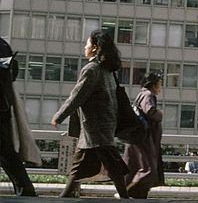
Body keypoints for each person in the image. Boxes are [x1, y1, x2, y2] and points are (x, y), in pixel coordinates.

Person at [51, 29, 131, 199]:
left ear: (94, 47)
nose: (84, 47)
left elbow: (77, 96)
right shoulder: (107, 70)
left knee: (83, 165)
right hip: (105, 123)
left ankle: (63, 197)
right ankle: (123, 196)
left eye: (87, 44)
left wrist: (59, 116)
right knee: (103, 162)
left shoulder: (91, 70)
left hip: (94, 126)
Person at [0, 36, 38, 196]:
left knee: (5, 150)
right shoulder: (3, 45)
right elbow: (13, 72)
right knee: (5, 149)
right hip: (3, 104)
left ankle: (25, 187)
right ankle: (24, 187)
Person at [123, 71, 164, 198]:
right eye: (159, 84)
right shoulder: (148, 94)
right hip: (144, 140)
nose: (160, 87)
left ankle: (129, 192)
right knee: (148, 169)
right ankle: (125, 192)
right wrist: (160, 114)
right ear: (153, 85)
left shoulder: (141, 94)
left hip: (137, 139)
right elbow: (150, 110)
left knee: (136, 167)